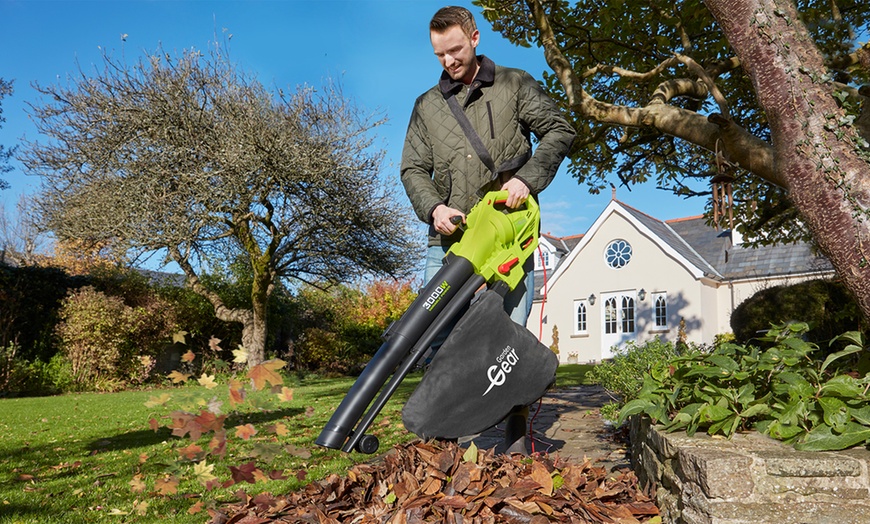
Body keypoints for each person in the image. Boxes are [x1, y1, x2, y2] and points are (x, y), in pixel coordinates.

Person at [399, 6, 575, 454]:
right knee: (437, 333)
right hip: (449, 242)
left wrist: (527, 179)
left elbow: (558, 129)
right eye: (439, 54)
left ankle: (515, 441)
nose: (448, 62)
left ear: (475, 38)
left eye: (455, 50)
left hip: (506, 233)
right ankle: (446, 441)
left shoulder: (515, 84)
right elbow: (413, 168)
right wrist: (433, 207)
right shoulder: (427, 106)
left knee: (508, 334)